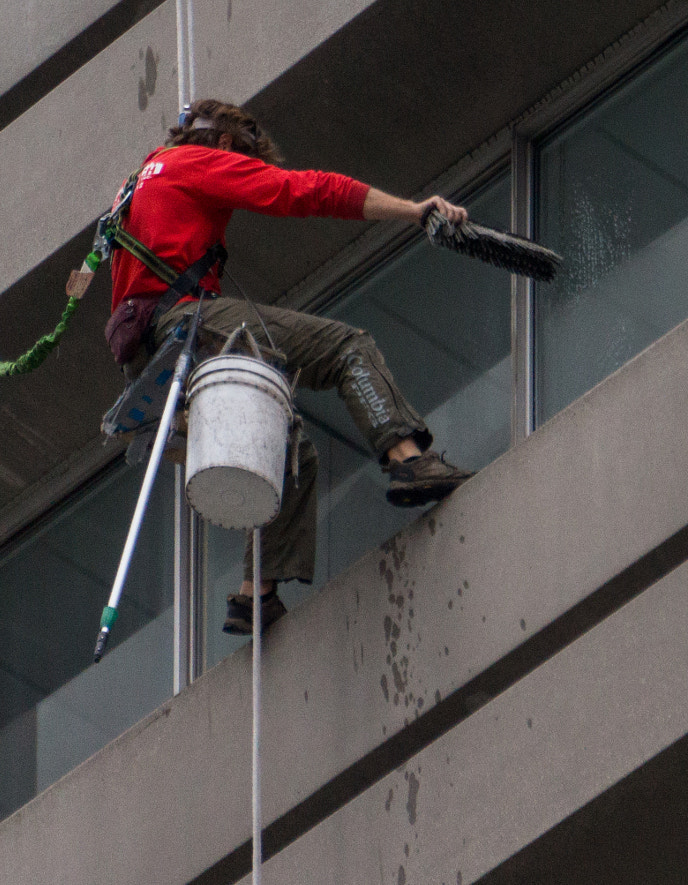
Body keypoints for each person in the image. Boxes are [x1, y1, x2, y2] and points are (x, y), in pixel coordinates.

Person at [105, 98, 474, 635]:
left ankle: (254, 595)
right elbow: (305, 191)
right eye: (246, 157)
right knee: (347, 346)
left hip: (146, 361)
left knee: (287, 445)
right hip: (187, 325)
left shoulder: (137, 181)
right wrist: (412, 210)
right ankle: (408, 461)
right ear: (228, 144)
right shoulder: (200, 163)